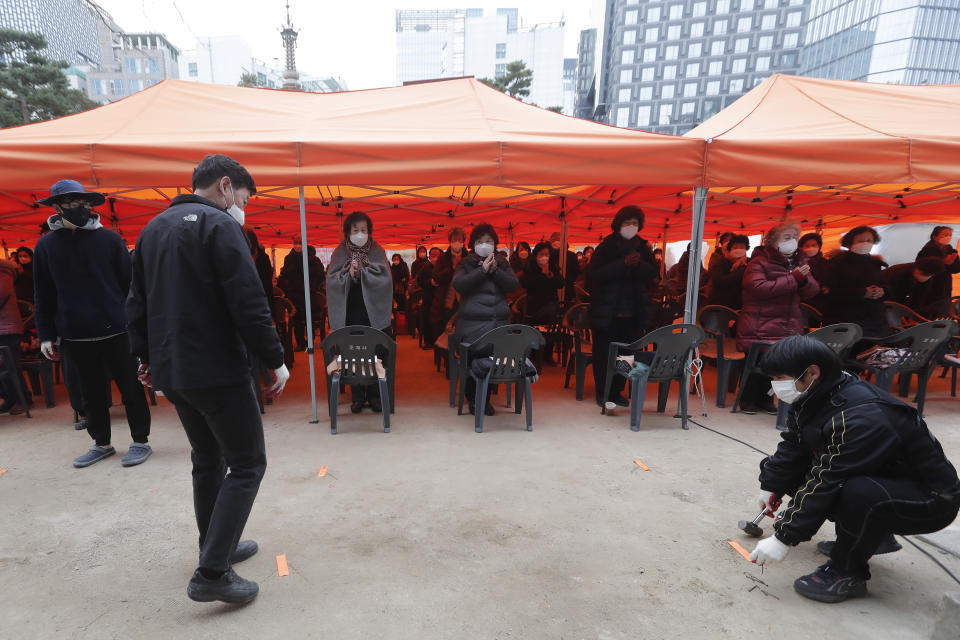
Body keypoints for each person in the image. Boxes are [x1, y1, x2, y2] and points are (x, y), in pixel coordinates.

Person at [127, 153, 288, 605]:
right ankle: (212, 572)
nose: (243, 207)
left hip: (174, 371)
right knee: (248, 462)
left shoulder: (152, 229)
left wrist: (143, 356)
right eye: (243, 197)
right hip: (217, 369)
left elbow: (135, 303)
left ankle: (217, 543)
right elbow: (248, 300)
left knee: (207, 457)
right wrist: (275, 358)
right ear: (224, 187)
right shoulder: (221, 227)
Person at [750, 335, 960, 603]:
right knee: (780, 469)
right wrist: (771, 485)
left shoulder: (862, 417)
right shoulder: (815, 393)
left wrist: (783, 538)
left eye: (780, 377)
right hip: (884, 478)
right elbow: (795, 443)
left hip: (931, 499)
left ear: (812, 372)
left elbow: (829, 478)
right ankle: (872, 535)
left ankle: (847, 572)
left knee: (855, 492)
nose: (776, 386)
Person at [33, 180, 152, 468]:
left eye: (83, 203)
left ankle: (140, 441)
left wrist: (138, 327)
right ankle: (102, 443)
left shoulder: (110, 240)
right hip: (75, 334)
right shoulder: (46, 245)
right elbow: (43, 292)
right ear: (57, 208)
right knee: (91, 393)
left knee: (131, 388)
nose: (79, 209)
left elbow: (130, 287)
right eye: (71, 204)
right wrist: (46, 334)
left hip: (118, 329)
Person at [736, 221, 819, 415]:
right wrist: (794, 279)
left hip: (788, 324)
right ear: (773, 241)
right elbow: (759, 288)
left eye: (795, 238)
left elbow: (812, 291)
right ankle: (747, 399)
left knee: (778, 366)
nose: (792, 242)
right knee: (756, 363)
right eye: (787, 237)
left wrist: (804, 280)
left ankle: (765, 399)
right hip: (759, 323)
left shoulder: (800, 262)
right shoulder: (758, 262)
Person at [587, 206, 658, 407]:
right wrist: (623, 264)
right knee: (603, 353)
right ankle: (603, 391)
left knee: (626, 353)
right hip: (607, 310)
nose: (631, 227)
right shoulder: (606, 247)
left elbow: (653, 274)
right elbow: (596, 275)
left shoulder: (643, 247)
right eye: (627, 223)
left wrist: (639, 264)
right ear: (618, 224)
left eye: (635, 223)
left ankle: (617, 389)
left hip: (632, 311)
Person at [326, 212, 393, 413]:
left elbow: (385, 278)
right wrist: (350, 274)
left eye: (363, 230)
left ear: (369, 232)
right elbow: (331, 279)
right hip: (350, 310)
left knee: (376, 352)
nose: (360, 233)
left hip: (374, 312)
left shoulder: (377, 251)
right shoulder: (340, 252)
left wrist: (363, 272)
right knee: (351, 351)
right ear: (347, 232)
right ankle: (356, 395)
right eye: (355, 230)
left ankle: (374, 395)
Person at [453, 223, 519, 415]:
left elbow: (513, 284)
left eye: (488, 241)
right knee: (474, 355)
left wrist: (495, 271)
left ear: (495, 244)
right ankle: (473, 398)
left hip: (497, 323)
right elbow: (460, 284)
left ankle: (486, 397)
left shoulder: (503, 263)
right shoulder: (465, 263)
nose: (484, 245)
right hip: (471, 325)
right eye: (480, 241)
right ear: (473, 245)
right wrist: (482, 271)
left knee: (494, 358)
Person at [821, 226, 890, 338]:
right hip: (844, 322)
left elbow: (886, 286)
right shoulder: (837, 263)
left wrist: (882, 291)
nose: (865, 243)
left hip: (875, 322)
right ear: (849, 243)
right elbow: (830, 292)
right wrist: (862, 293)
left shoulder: (876, 264)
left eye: (869, 241)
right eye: (860, 240)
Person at [521, 241, 565, 364]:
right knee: (537, 325)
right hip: (534, 306)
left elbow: (561, 283)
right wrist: (541, 275)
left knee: (553, 319)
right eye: (542, 254)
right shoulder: (530, 268)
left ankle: (548, 354)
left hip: (550, 305)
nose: (545, 257)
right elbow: (527, 283)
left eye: (547, 254)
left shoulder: (553, 267)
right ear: (536, 255)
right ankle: (533, 354)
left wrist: (551, 276)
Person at [429, 227, 468, 349]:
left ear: (463, 241)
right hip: (446, 301)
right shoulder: (443, 258)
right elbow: (436, 277)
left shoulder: (469, 257)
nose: (457, 242)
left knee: (464, 332)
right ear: (450, 241)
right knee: (447, 331)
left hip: (465, 300)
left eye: (459, 239)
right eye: (454, 239)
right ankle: (448, 362)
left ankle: (461, 360)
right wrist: (451, 268)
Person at [0, 256, 29, 414]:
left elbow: (1, 294)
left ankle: (22, 398)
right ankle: (9, 398)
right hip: (4, 326)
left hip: (6, 327)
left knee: (9, 366)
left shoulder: (3, 271)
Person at [916, 226, 960, 318]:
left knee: (942, 312)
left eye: (950, 235)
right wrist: (944, 263)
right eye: (945, 234)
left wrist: (952, 263)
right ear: (934, 237)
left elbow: (956, 269)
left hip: (945, 287)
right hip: (929, 287)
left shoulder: (950, 250)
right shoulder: (928, 250)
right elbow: (924, 268)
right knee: (928, 312)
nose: (948, 237)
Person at [705, 234, 749, 309]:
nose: (738, 250)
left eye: (742, 247)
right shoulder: (720, 262)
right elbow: (719, 281)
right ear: (729, 249)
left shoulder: (749, 262)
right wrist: (741, 270)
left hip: (740, 305)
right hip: (721, 306)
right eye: (735, 247)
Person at [798, 233, 829, 312]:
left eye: (814, 245)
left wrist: (826, 286)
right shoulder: (798, 262)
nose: (811, 248)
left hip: (821, 300)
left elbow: (829, 278)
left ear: (819, 246)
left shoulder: (825, 262)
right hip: (802, 301)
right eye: (807, 246)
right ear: (801, 248)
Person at [550, 231, 579, 302]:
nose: (556, 242)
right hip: (551, 289)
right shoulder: (549, 255)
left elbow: (575, 272)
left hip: (567, 287)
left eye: (558, 240)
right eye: (553, 240)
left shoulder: (571, 255)